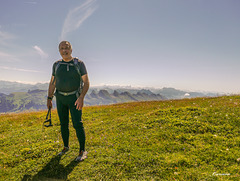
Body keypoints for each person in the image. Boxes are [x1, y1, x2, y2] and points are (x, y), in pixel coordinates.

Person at [47, 41, 89, 162]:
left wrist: (81, 97)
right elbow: (52, 82)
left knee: (77, 124)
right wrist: (49, 98)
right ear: (59, 50)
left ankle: (82, 150)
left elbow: (86, 82)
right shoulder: (56, 65)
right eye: (62, 48)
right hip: (60, 98)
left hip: (74, 99)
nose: (64, 50)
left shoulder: (79, 64)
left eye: (67, 48)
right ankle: (66, 147)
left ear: (71, 49)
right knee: (63, 124)